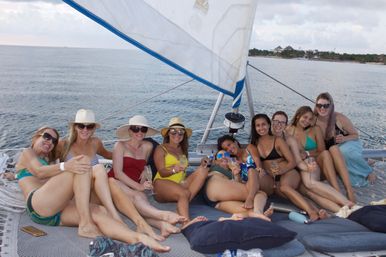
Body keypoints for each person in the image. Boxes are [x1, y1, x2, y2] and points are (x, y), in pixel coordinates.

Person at [16, 126, 170, 252]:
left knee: (99, 212)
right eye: (46, 137)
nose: (50, 142)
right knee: (83, 161)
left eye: (54, 140)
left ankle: (137, 239)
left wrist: (136, 160)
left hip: (56, 211)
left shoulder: (49, 160)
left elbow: (111, 155)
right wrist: (65, 166)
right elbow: (38, 172)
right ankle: (85, 224)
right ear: (36, 137)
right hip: (38, 204)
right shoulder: (27, 153)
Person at [57, 109, 164, 241]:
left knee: (116, 184)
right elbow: (52, 166)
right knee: (106, 174)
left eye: (89, 126)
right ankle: (128, 219)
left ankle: (148, 223)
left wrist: (139, 164)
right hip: (75, 195)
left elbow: (111, 155)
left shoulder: (95, 143)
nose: (85, 130)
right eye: (81, 126)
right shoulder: (63, 145)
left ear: (94, 128)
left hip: (95, 193)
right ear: (75, 127)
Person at [108, 115, 185, 237]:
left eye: (142, 129)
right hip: (115, 184)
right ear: (129, 130)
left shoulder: (147, 147)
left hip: (133, 186)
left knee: (139, 203)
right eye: (135, 129)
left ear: (146, 132)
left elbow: (144, 165)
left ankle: (162, 226)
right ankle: (163, 215)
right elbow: (118, 173)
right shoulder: (120, 146)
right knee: (138, 198)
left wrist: (145, 174)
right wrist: (139, 187)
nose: (139, 132)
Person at [250, 113, 322, 221]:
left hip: (289, 171)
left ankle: (312, 213)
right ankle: (317, 211)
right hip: (273, 178)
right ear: (254, 128)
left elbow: (292, 162)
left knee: (285, 188)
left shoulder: (278, 140)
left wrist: (281, 171)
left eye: (263, 124)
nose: (261, 128)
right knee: (286, 194)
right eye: (258, 125)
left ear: (269, 125)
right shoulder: (254, 143)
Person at [281, 108, 354, 213]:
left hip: (316, 164)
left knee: (325, 154)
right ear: (298, 116)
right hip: (300, 167)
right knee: (310, 190)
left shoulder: (315, 129)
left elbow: (321, 150)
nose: (307, 121)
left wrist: (306, 154)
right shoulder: (287, 130)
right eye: (305, 117)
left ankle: (337, 191)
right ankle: (340, 207)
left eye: (310, 119)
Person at [153, 117, 209, 225]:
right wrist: (174, 169)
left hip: (179, 184)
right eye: (173, 132)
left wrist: (203, 161)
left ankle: (181, 206)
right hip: (161, 184)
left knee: (204, 170)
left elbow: (183, 171)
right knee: (184, 193)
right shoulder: (161, 148)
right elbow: (162, 172)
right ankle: (186, 223)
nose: (177, 135)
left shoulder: (183, 150)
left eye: (180, 132)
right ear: (168, 134)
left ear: (184, 136)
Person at [314, 92, 375, 187]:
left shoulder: (339, 118)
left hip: (349, 142)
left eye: (326, 105)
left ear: (331, 106)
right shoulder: (313, 120)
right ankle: (364, 162)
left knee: (343, 152)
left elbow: (355, 135)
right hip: (331, 149)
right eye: (319, 105)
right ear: (316, 106)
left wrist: (344, 138)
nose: (322, 108)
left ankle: (368, 172)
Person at [201, 149, 272, 221]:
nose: (223, 157)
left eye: (226, 155)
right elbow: (204, 162)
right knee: (255, 192)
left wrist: (236, 174)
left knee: (254, 204)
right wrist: (208, 159)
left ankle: (258, 214)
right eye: (220, 155)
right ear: (215, 160)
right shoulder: (214, 165)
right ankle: (258, 213)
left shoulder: (233, 169)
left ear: (230, 158)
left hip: (217, 203)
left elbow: (236, 187)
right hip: (214, 185)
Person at [217, 135, 270, 207]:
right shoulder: (233, 163)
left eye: (229, 145)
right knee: (247, 181)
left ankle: (250, 199)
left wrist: (259, 169)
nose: (229, 149)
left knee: (251, 170)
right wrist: (237, 174)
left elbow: (258, 165)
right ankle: (252, 201)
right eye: (226, 149)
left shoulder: (249, 148)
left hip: (263, 179)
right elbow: (239, 184)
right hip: (252, 188)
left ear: (235, 142)